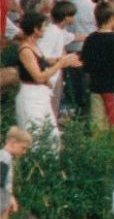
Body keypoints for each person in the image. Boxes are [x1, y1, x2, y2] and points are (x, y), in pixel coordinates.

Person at [11, 12, 76, 140]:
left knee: (52, 136)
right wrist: (60, 64)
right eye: (44, 25)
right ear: (36, 29)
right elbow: (38, 77)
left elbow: (43, 61)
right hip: (30, 96)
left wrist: (61, 60)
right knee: (34, 136)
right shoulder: (25, 50)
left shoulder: (34, 46)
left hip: (41, 94)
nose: (46, 28)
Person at [81, 2, 114, 128]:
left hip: (96, 88)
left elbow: (86, 67)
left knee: (98, 125)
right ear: (111, 19)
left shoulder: (90, 39)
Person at [0, 128, 30, 219]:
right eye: (23, 148)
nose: (24, 152)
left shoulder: (7, 157)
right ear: (13, 142)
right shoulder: (4, 157)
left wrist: (11, 197)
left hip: (5, 194)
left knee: (4, 215)